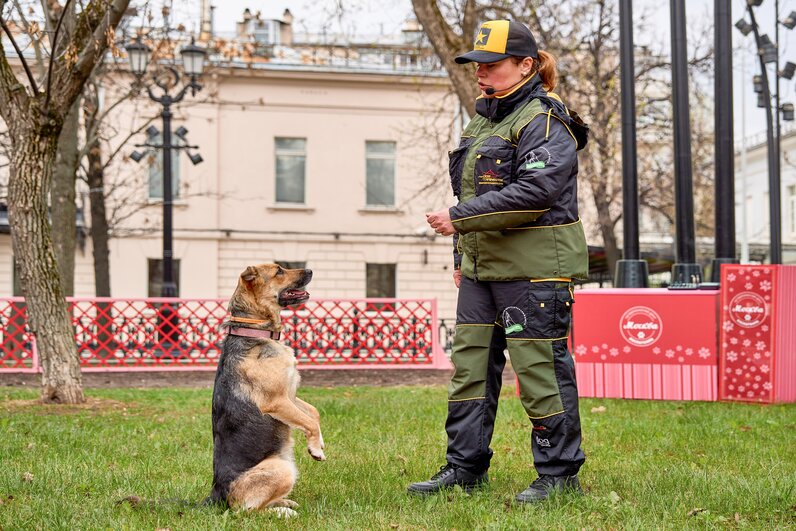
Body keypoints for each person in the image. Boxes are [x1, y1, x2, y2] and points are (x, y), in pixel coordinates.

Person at [408, 19, 589, 504]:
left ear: (526, 65)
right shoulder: (482, 122)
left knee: (539, 370)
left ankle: (558, 475)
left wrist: (457, 220)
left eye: (492, 64)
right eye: (477, 64)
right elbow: (469, 193)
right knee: (469, 369)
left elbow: (535, 193)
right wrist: (461, 253)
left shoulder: (545, 121)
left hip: (535, 270)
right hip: (481, 270)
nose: (481, 72)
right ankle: (464, 467)